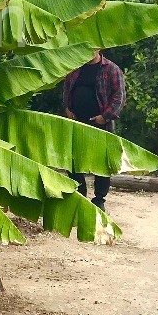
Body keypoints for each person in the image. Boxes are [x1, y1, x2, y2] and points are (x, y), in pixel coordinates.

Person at [61, 50, 126, 210]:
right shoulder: (75, 67)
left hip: (100, 124)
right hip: (76, 122)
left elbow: (119, 96)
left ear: (99, 49)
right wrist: (67, 109)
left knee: (102, 163)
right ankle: (79, 192)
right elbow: (66, 89)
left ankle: (99, 199)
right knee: (73, 160)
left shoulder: (111, 69)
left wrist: (105, 116)